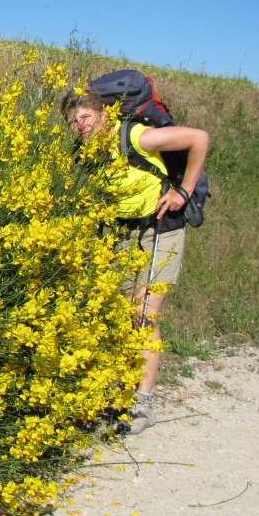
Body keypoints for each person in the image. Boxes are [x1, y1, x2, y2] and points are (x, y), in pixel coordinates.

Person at [61, 85, 209, 434]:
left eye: (86, 117)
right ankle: (122, 391)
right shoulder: (86, 153)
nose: (81, 126)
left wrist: (183, 191)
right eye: (73, 122)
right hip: (124, 232)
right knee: (123, 313)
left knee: (144, 314)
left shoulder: (136, 136)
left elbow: (199, 138)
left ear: (104, 114)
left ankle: (143, 404)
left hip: (161, 227)